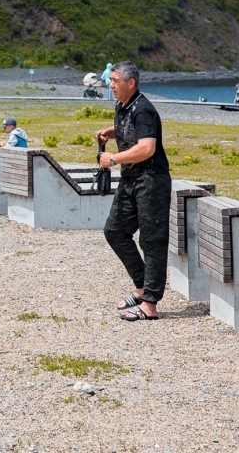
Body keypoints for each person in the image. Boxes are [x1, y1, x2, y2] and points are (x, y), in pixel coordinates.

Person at [97, 61, 171, 322]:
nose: (111, 84)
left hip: (151, 180)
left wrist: (113, 159)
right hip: (130, 179)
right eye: (111, 80)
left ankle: (150, 305)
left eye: (115, 80)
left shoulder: (144, 110)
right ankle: (141, 288)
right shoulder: (122, 106)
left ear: (131, 83)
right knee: (115, 231)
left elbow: (147, 148)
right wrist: (111, 131)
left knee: (152, 241)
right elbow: (130, 131)